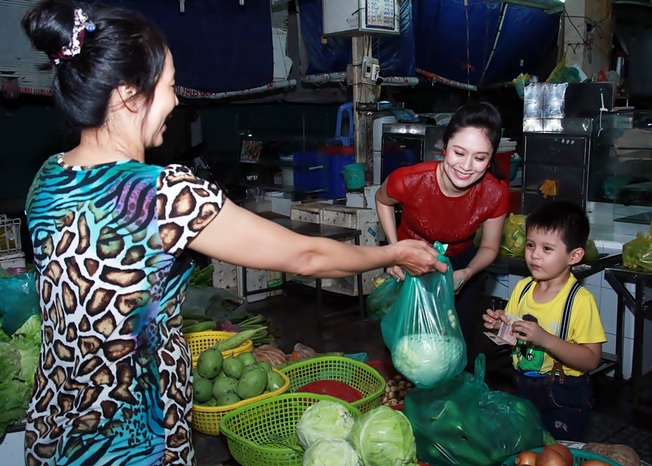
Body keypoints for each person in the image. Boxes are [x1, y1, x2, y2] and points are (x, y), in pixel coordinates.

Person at [20, 2, 446, 464]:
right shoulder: (163, 194)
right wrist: (393, 253)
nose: (177, 100)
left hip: (55, 427)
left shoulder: (47, 177)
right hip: (132, 437)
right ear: (128, 95)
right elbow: (305, 258)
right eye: (168, 86)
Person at [374, 102, 509, 362]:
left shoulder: (495, 194)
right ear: (444, 148)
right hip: (411, 262)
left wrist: (467, 273)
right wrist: (393, 252)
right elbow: (382, 200)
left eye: (480, 158)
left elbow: (490, 247)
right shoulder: (411, 179)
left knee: (458, 347)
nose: (467, 166)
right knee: (407, 347)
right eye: (459, 153)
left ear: (490, 160)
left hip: (460, 267)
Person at [482, 200, 606, 440]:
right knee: (528, 445)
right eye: (530, 245)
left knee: (559, 452)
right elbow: (513, 336)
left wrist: (546, 339)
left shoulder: (580, 301)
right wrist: (500, 326)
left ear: (574, 255)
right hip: (524, 385)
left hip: (564, 393)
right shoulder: (523, 288)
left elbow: (591, 360)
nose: (534, 255)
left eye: (547, 249)